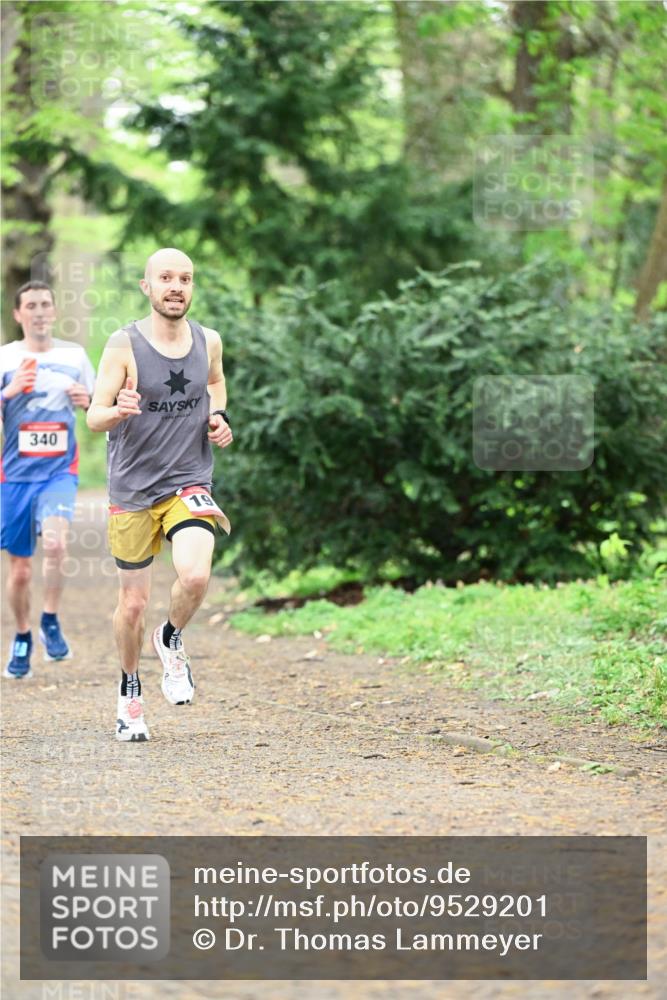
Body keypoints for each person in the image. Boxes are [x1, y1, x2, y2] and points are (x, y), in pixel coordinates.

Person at [86, 247, 233, 742]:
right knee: (132, 604)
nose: (176, 286)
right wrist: (119, 410)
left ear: (192, 287)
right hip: (132, 488)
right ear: (147, 287)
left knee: (194, 575)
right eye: (166, 278)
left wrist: (220, 416)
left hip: (189, 479)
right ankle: (130, 690)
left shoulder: (208, 340)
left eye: (185, 278)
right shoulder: (123, 344)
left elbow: (216, 383)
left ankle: (170, 637)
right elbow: (94, 416)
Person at [1, 280, 95, 678]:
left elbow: (99, 411)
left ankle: (50, 619)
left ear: (54, 312)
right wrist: (6, 394)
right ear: (18, 314)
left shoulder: (74, 356)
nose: (39, 311)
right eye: (31, 305)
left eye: (45, 304)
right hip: (14, 476)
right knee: (20, 570)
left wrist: (87, 401)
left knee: (56, 544)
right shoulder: (4, 359)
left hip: (59, 470)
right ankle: (22, 635)